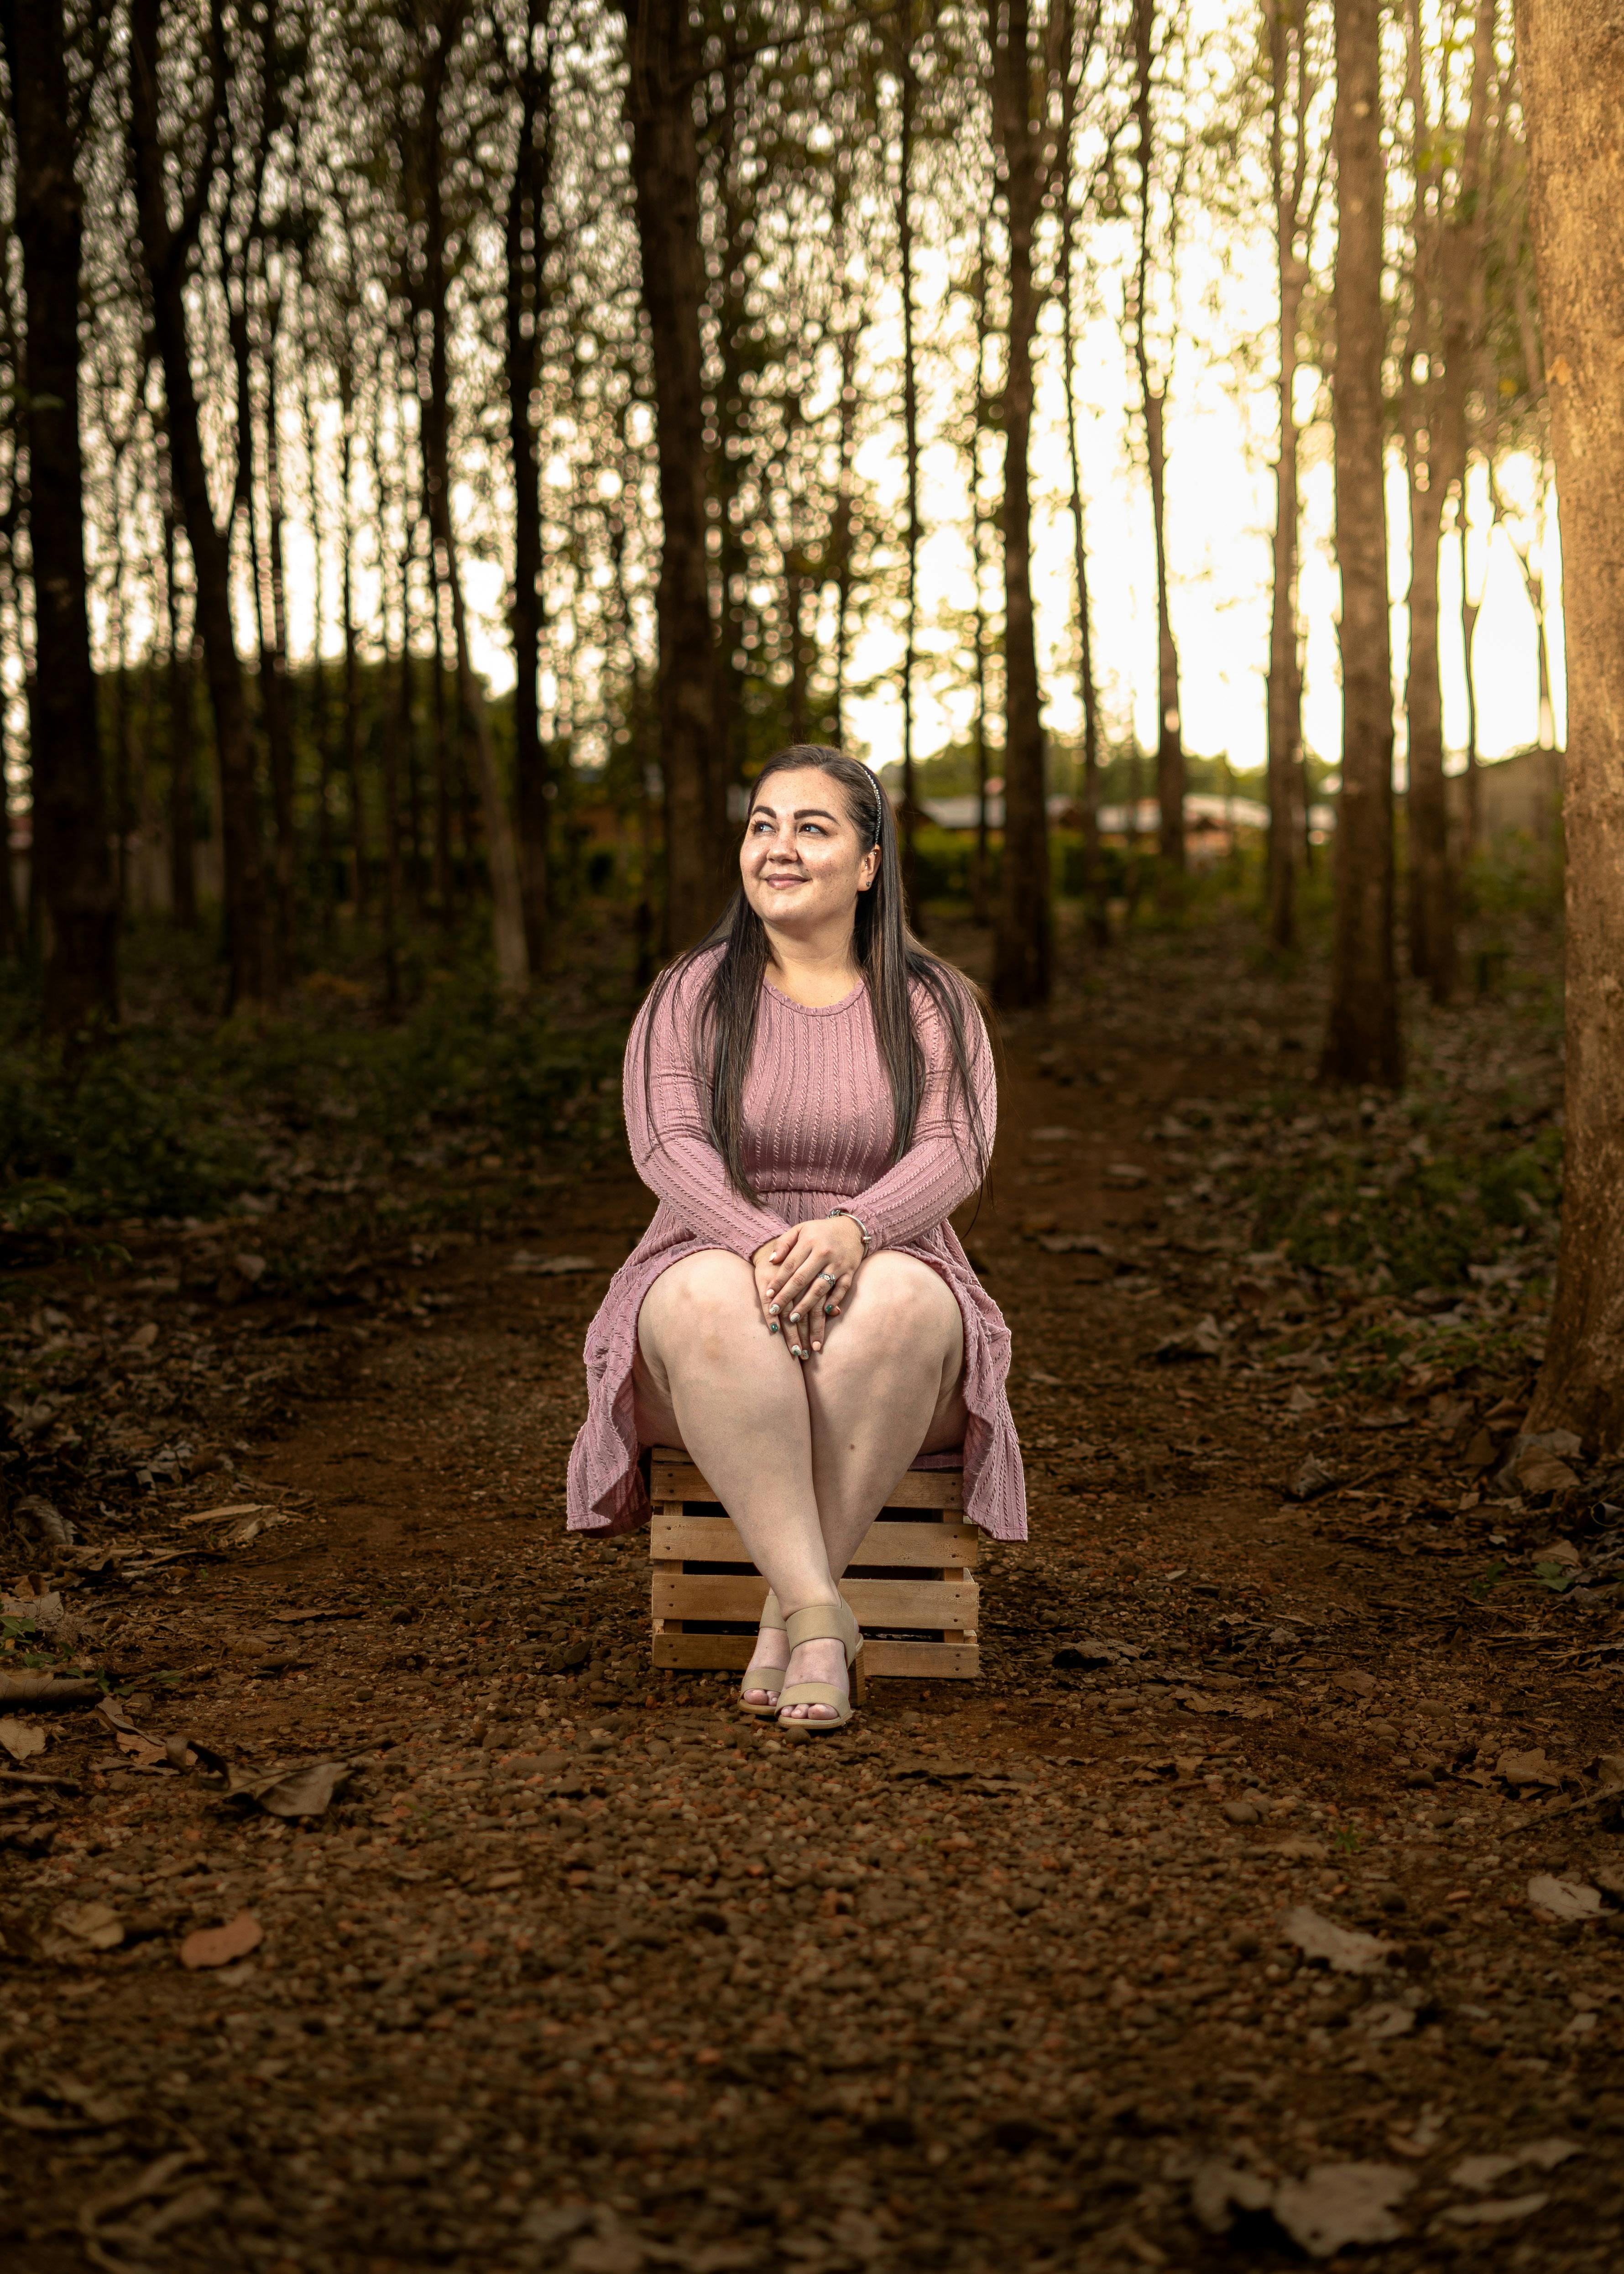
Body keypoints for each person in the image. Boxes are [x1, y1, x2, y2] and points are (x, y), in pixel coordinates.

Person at [566, 743, 1025, 1730]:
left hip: (889, 1296)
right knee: (706, 1295)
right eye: (762, 824)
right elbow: (666, 1141)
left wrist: (858, 1231)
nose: (778, 847)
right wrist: (765, 1243)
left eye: (811, 828)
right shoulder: (688, 993)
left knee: (902, 1294)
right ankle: (826, 1614)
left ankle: (796, 1613)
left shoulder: (932, 1001)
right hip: (713, 1296)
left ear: (868, 864)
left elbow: (956, 1147)